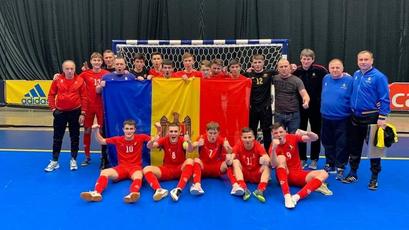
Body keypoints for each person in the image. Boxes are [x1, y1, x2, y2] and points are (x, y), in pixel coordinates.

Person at [342, 50, 390, 190]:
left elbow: (385, 98)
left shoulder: (379, 77)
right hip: (355, 117)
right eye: (360, 59)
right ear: (357, 61)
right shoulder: (356, 75)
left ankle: (374, 178)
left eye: (366, 59)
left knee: (374, 149)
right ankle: (352, 173)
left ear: (372, 60)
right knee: (354, 147)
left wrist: (382, 117)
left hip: (372, 117)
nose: (363, 62)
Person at [80, 120, 152, 203]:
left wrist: (159, 131)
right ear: (123, 129)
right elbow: (102, 141)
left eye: (131, 129)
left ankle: (133, 193)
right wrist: (96, 131)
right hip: (121, 168)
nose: (129, 131)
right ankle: (96, 193)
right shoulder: (118, 139)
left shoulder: (141, 137)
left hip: (135, 167)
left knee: (139, 176)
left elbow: (152, 142)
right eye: (127, 129)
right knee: (104, 172)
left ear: (134, 129)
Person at [270, 122, 332, 209]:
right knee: (281, 158)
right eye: (275, 133)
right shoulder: (273, 146)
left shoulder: (292, 137)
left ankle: (296, 197)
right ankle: (287, 196)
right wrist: (273, 149)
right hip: (284, 175)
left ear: (285, 131)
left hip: (298, 174)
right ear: (272, 135)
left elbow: (315, 138)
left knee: (324, 173)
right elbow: (273, 165)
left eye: (280, 132)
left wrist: (306, 132)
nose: (279, 135)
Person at [45, 60, 87, 172]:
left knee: (75, 137)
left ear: (75, 69)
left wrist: (83, 113)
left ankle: (73, 159)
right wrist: (53, 109)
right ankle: (54, 161)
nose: (69, 71)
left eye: (72, 68)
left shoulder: (80, 80)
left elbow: (84, 97)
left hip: (75, 112)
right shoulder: (57, 80)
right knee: (57, 138)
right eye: (67, 69)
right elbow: (51, 95)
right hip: (60, 113)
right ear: (63, 69)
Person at [293, 49, 328, 169]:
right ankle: (302, 158)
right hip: (300, 108)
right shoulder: (295, 71)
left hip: (316, 108)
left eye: (308, 59)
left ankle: (314, 159)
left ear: (313, 60)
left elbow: (332, 77)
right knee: (301, 133)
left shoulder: (320, 70)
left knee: (315, 133)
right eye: (304, 58)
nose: (306, 61)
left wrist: (344, 74)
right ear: (300, 58)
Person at [143, 123, 194, 202]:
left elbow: (189, 149)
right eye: (171, 131)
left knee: (190, 160)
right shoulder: (164, 139)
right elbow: (150, 146)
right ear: (168, 132)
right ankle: (159, 190)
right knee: (146, 169)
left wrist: (189, 142)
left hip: (179, 169)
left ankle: (178, 189)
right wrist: (152, 141)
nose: (173, 133)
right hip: (167, 170)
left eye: (175, 131)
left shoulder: (182, 140)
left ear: (179, 132)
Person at [320, 59, 353, 180]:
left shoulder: (349, 80)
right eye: (332, 67)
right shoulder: (326, 78)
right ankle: (330, 163)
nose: (335, 70)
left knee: (342, 143)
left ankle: (340, 166)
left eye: (337, 67)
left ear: (342, 68)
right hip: (326, 117)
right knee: (327, 142)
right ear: (329, 68)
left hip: (342, 119)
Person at [190, 122, 242, 195]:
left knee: (228, 161)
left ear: (218, 133)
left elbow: (231, 152)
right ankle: (197, 186)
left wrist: (228, 146)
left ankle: (235, 186)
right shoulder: (201, 138)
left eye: (215, 133)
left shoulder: (222, 140)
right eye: (210, 133)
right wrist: (197, 144)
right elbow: (190, 149)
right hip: (204, 167)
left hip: (216, 167)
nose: (212, 135)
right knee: (196, 160)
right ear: (206, 132)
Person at [78, 52, 110, 168]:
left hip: (102, 106)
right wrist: (59, 75)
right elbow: (72, 79)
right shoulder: (85, 74)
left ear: (102, 62)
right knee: (87, 130)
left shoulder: (106, 74)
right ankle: (87, 156)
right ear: (91, 62)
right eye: (94, 60)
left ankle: (103, 156)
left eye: (99, 60)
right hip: (88, 106)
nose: (97, 62)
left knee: (102, 131)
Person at [243, 54, 277, 152]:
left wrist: (292, 68)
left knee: (266, 132)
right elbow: (235, 77)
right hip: (252, 108)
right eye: (255, 62)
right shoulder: (248, 74)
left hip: (265, 109)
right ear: (252, 63)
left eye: (259, 62)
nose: (257, 64)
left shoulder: (269, 73)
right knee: (252, 131)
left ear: (263, 62)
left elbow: (284, 72)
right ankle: (252, 152)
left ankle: (268, 153)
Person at [231, 127, 271, 202]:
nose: (247, 140)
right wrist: (229, 157)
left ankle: (260, 190)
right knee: (235, 161)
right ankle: (243, 188)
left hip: (256, 174)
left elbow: (267, 158)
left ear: (253, 138)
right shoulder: (238, 145)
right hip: (244, 174)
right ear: (241, 138)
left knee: (267, 165)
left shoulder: (258, 145)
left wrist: (267, 160)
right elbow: (231, 157)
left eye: (249, 137)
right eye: (245, 137)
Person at [273, 58, 310, 134]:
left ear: (290, 67)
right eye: (281, 67)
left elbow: (305, 94)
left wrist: (306, 101)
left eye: (286, 66)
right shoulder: (274, 78)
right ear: (278, 69)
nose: (284, 69)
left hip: (294, 116)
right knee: (279, 138)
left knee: (293, 139)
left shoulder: (297, 80)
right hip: (278, 115)